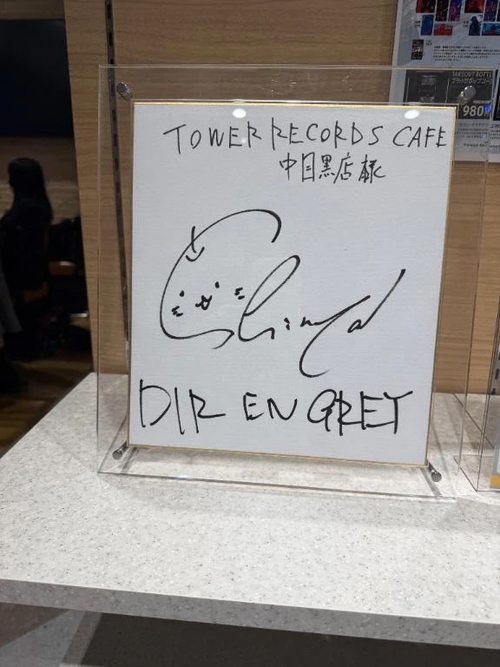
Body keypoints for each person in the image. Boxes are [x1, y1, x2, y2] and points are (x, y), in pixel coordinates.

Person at [0, 158, 53, 359]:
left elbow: (16, 245)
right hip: (26, 270)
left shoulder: (28, 208)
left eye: (12, 177)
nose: (9, 182)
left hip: (22, 272)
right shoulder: (37, 205)